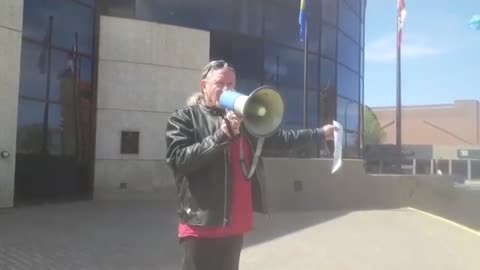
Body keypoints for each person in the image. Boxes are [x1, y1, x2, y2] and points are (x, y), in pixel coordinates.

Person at [165, 60, 336, 270]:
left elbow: (281, 140)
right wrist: (221, 137)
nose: (226, 89)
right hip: (202, 225)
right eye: (220, 83)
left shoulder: (245, 121)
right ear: (204, 86)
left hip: (235, 225)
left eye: (231, 84)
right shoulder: (184, 118)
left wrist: (319, 134)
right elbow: (179, 161)